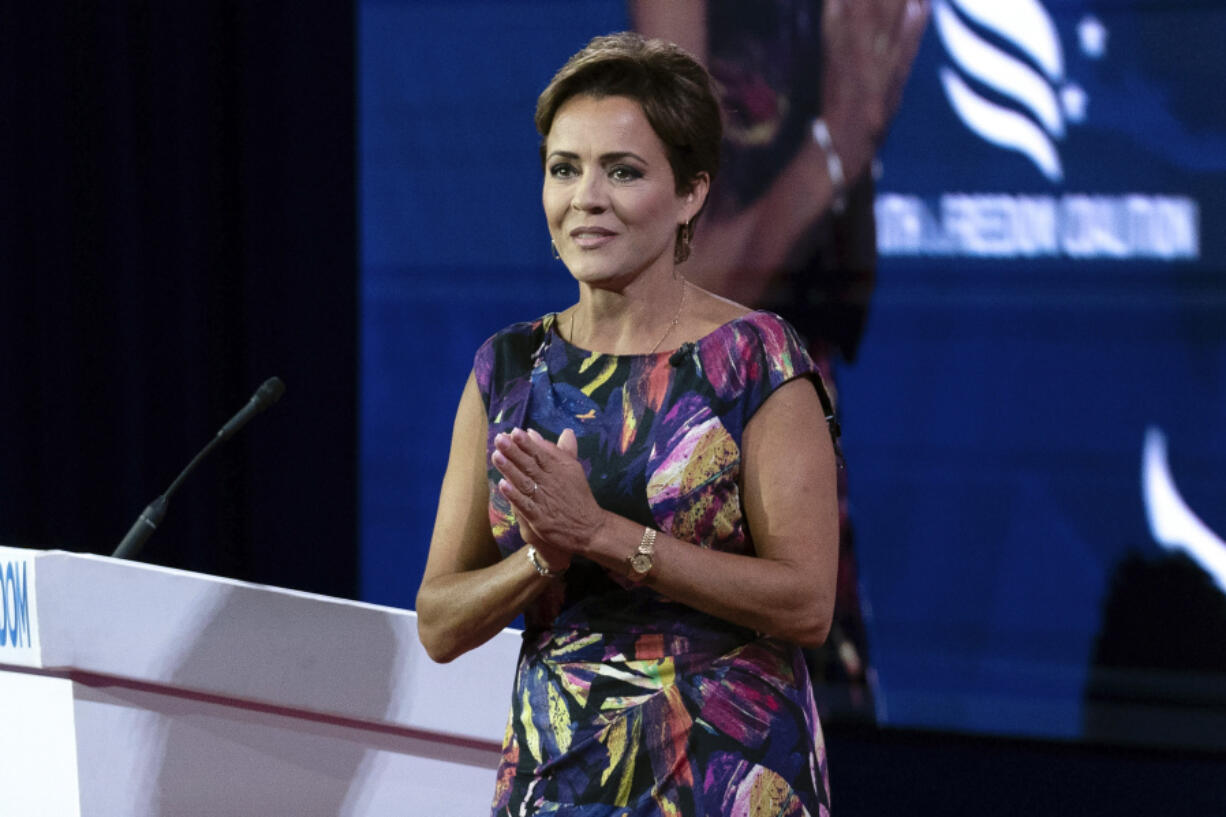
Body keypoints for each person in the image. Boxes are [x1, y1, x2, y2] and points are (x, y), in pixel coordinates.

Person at [416, 32, 841, 815]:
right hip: (561, 776)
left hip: (724, 773)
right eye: (564, 169)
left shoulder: (753, 359)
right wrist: (541, 558)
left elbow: (808, 602)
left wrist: (604, 535)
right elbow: (439, 620)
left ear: (691, 194)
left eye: (623, 171)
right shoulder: (508, 370)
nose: (587, 198)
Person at [633, 0, 929, 721]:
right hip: (700, 477)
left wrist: (856, 136)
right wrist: (837, 141)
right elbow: (681, 287)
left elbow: (845, 306)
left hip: (800, 465)